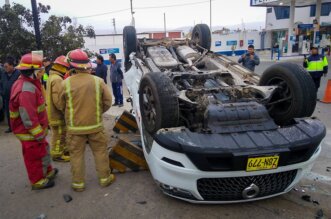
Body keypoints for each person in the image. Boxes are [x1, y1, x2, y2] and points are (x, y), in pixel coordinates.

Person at [58, 49, 115, 192]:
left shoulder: (66, 83)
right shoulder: (98, 81)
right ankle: (105, 179)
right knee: (100, 152)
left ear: (71, 65)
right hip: (95, 126)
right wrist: (96, 112)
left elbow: (60, 105)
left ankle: (78, 184)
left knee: (76, 155)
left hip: (75, 129)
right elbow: (108, 102)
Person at [9, 53, 57, 190]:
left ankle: (47, 171)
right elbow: (28, 118)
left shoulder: (28, 83)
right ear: (32, 72)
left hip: (35, 129)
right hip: (29, 131)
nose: (42, 73)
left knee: (43, 150)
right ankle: (37, 181)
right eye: (40, 71)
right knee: (34, 156)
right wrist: (39, 133)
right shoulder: (26, 90)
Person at [46, 55, 71, 162]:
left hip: (52, 112)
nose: (67, 70)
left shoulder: (52, 77)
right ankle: (57, 155)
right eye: (66, 67)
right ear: (61, 67)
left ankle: (64, 149)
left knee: (62, 133)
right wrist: (65, 110)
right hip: (57, 114)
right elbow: (58, 100)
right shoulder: (57, 79)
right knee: (58, 135)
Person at [1, 56, 21, 133]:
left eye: (6, 66)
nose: (5, 68)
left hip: (16, 98)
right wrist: (2, 91)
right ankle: (11, 127)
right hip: (6, 98)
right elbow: (1, 84)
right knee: (8, 113)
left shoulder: (18, 73)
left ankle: (18, 127)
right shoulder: (3, 74)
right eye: (4, 66)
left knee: (17, 113)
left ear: (12, 66)